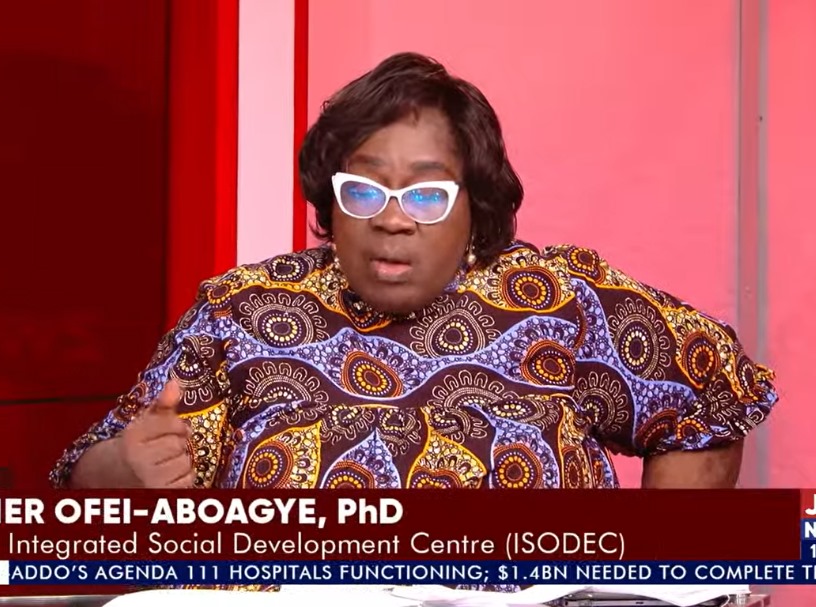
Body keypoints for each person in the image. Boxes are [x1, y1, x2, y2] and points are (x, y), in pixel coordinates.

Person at [50, 52, 778, 496]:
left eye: (427, 195)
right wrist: (124, 470)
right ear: (331, 204)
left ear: (475, 208)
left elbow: (712, 399)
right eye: (364, 190)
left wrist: (650, 576)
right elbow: (92, 475)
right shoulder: (242, 311)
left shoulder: (561, 303)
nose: (393, 219)